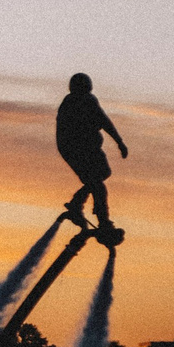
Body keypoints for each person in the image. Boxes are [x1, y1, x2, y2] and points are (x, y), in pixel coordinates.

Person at [55, 72, 128, 229]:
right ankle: (103, 220)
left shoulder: (72, 101)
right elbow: (105, 122)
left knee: (100, 176)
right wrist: (119, 142)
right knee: (97, 183)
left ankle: (77, 202)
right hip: (80, 149)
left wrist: (119, 142)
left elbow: (102, 121)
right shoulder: (83, 101)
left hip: (80, 149)